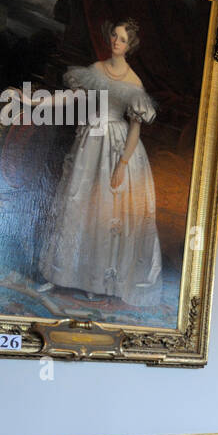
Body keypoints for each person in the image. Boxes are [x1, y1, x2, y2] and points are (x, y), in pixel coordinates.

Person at [36, 19, 162, 306]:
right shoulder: (95, 70)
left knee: (104, 213)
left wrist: (122, 164)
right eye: (114, 36)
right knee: (76, 205)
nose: (115, 42)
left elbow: (135, 128)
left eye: (122, 39)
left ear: (129, 47)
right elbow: (70, 98)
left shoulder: (134, 83)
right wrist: (34, 102)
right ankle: (61, 275)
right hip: (90, 142)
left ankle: (94, 280)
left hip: (117, 148)